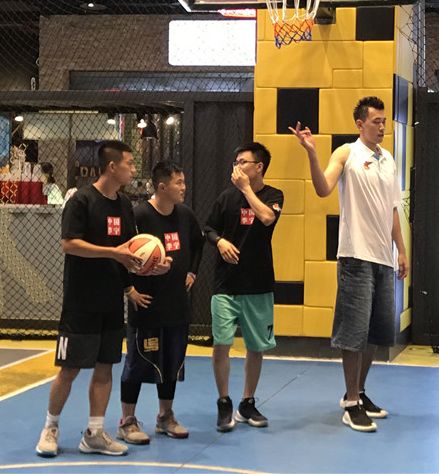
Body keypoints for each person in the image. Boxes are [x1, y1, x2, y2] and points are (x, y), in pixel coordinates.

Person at [35, 140, 164, 458]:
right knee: (69, 369)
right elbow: (69, 244)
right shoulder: (81, 200)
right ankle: (50, 428)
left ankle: (94, 433)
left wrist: (150, 266)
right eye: (130, 163)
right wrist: (113, 253)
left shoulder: (124, 205)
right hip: (81, 301)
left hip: (111, 301)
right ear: (112, 166)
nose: (133, 169)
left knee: (105, 367)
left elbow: (129, 251)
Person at [290, 96, 408, 433]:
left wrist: (401, 250)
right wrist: (312, 153)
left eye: (384, 121)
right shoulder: (346, 153)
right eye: (376, 122)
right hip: (355, 256)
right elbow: (323, 188)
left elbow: (393, 209)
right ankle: (352, 404)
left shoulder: (388, 159)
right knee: (353, 333)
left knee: (375, 332)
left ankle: (357, 392)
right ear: (360, 124)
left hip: (383, 257)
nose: (382, 127)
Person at [117, 161, 203, 445]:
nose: (184, 187)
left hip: (176, 305)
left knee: (172, 364)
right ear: (162, 187)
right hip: (147, 305)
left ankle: (165, 417)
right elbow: (121, 256)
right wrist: (130, 289)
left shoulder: (185, 215)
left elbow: (199, 243)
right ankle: (127, 421)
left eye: (184, 181)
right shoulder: (139, 216)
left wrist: (192, 271)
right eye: (179, 182)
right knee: (137, 364)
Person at [203, 142, 283, 432]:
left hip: (258, 284)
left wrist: (247, 190)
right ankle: (224, 402)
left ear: (258, 167)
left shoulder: (273, 195)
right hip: (226, 283)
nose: (236, 166)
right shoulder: (226, 197)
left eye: (242, 162)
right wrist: (220, 241)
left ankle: (247, 402)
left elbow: (267, 218)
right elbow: (208, 228)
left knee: (256, 347)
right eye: (235, 162)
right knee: (221, 343)